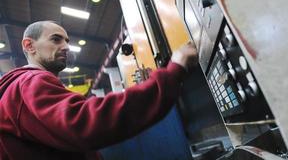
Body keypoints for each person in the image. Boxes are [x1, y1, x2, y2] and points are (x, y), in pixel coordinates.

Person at [0, 21, 198, 160]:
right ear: (29, 45)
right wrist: (175, 69)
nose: (67, 47)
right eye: (56, 39)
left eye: (67, 41)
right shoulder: (31, 82)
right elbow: (86, 122)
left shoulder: (16, 91)